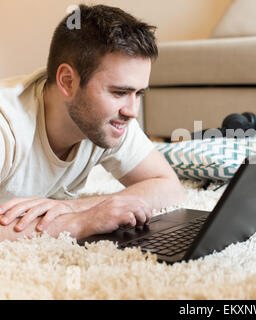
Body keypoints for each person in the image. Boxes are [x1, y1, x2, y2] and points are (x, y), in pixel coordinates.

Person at [0, 4, 185, 241]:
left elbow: (170, 188)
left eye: (139, 94)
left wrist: (78, 207)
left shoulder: (111, 120)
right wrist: (79, 223)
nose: (132, 111)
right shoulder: (7, 127)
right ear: (67, 81)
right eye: (119, 92)